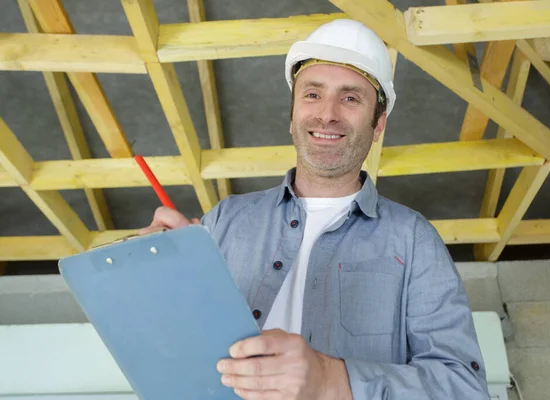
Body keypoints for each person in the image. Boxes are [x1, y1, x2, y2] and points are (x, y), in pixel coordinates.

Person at [140, 19, 490, 400]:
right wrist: (159, 278)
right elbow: (176, 344)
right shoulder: (225, 220)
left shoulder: (412, 239)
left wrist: (329, 380)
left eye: (351, 97)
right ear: (292, 116)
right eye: (312, 94)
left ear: (378, 126)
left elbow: (465, 388)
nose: (327, 114)